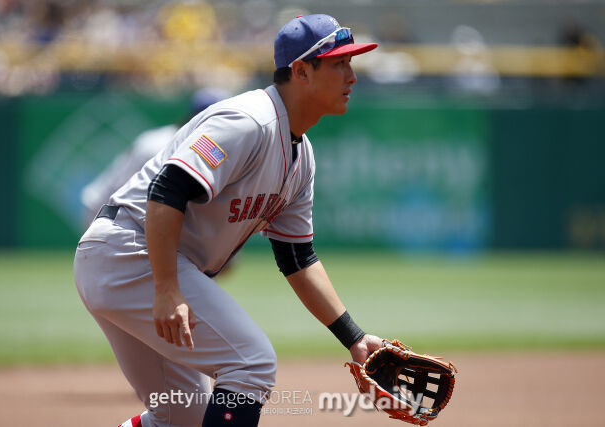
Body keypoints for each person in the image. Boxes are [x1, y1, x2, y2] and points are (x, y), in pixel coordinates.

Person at [73, 14, 383, 427]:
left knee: (180, 415)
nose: (352, 76)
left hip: (133, 259)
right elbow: (168, 189)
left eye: (351, 63)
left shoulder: (301, 156)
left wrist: (354, 338)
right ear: (301, 71)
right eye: (339, 63)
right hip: (130, 251)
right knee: (251, 364)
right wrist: (166, 288)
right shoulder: (248, 120)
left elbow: (297, 259)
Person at [80, 87, 231, 227]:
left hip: (126, 211)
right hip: (104, 209)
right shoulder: (157, 144)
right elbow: (121, 189)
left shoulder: (206, 147)